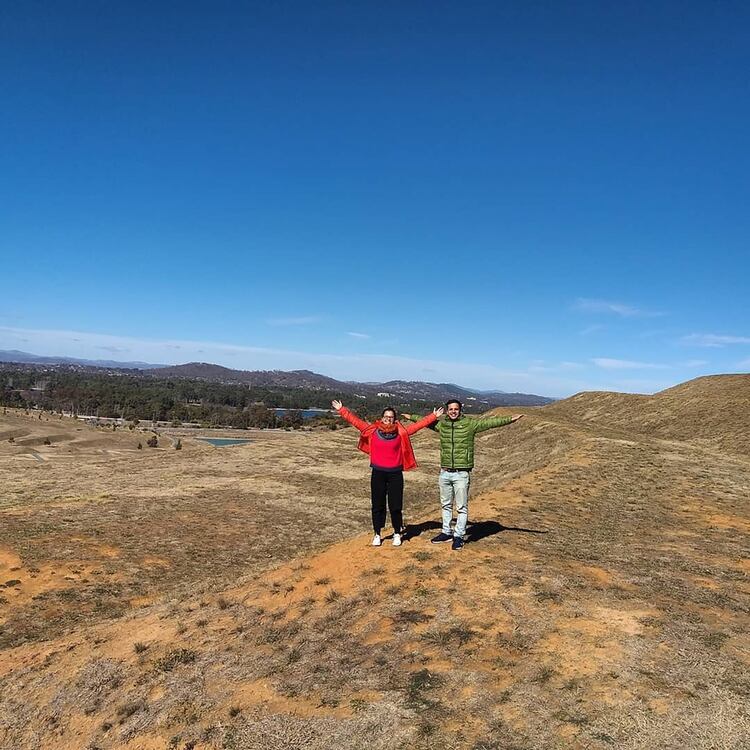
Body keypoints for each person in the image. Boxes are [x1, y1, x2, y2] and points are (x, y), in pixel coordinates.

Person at [403, 400, 523, 551]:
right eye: (450, 409)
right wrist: (411, 416)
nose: (453, 411)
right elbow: (424, 422)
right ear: (447, 411)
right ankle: (446, 532)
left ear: (460, 410)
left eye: (456, 409)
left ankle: (458, 536)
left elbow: (490, 423)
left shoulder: (470, 425)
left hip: (461, 473)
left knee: (461, 507)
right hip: (445, 472)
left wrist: (510, 419)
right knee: (445, 505)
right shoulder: (442, 426)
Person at [332, 400, 444, 547]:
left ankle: (397, 533)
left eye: (391, 417)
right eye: (386, 416)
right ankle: (377, 534)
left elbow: (417, 426)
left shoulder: (401, 432)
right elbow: (356, 422)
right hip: (378, 473)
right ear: (382, 417)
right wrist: (342, 410)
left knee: (395, 506)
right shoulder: (372, 430)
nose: (388, 419)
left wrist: (433, 416)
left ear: (394, 419)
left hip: (395, 474)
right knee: (377, 506)